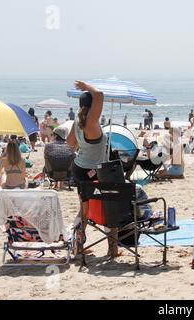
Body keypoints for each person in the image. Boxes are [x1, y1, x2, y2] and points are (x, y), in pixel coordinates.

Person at [66, 81, 113, 257]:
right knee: (108, 208)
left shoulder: (77, 122)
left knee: (83, 210)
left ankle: (78, 246)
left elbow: (70, 143)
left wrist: (85, 148)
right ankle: (112, 249)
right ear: (93, 106)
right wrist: (87, 86)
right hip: (94, 171)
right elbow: (99, 94)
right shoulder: (92, 122)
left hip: (79, 168)